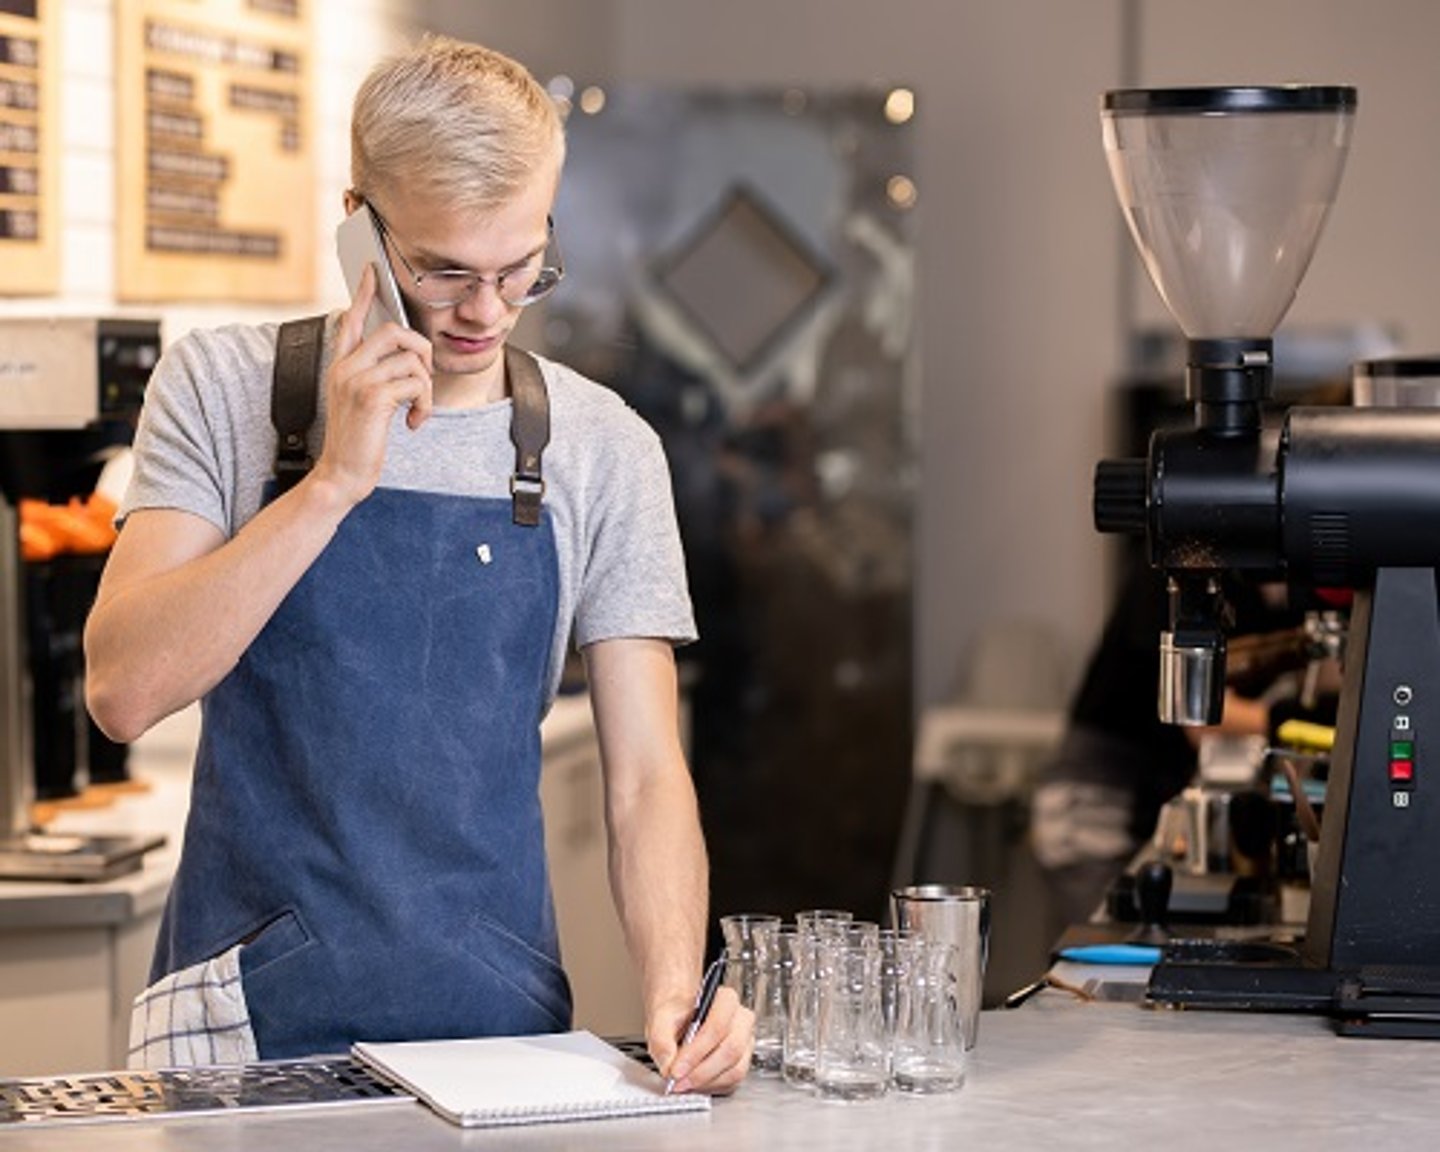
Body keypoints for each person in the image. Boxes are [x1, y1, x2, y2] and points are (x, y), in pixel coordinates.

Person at [84, 35, 752, 1092]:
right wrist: (331, 485)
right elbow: (124, 689)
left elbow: (644, 776)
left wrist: (676, 983)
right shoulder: (220, 389)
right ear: (358, 223)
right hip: (240, 1027)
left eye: (521, 266)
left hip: (496, 1031)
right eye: (442, 270)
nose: (485, 313)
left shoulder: (601, 445)